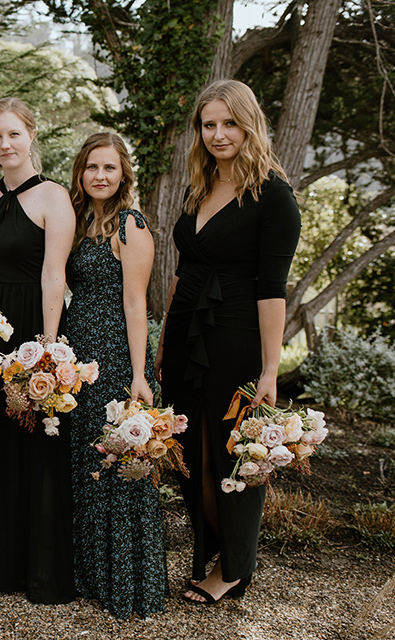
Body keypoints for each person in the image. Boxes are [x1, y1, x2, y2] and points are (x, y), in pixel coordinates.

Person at [154, 79, 301, 604]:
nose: (218, 134)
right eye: (208, 124)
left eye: (228, 123)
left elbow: (271, 291)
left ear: (249, 124)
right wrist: (166, 337)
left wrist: (268, 370)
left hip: (236, 339)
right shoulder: (199, 187)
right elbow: (182, 273)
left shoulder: (273, 196)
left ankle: (236, 568)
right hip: (187, 337)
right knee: (193, 454)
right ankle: (209, 553)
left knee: (234, 457)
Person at [0, 97, 76, 603]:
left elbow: (54, 274)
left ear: (31, 134)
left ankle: (42, 570)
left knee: (36, 445)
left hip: (34, 329)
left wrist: (49, 346)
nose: (5, 144)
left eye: (13, 134)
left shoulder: (53, 197)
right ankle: (1, 566)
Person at [66, 132, 166, 617]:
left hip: (119, 359)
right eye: (91, 168)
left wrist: (140, 375)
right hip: (80, 359)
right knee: (87, 464)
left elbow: (136, 303)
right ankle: (90, 571)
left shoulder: (131, 226)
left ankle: (128, 583)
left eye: (109, 168)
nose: (100, 176)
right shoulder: (81, 223)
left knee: (119, 467)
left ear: (123, 174)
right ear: (80, 174)